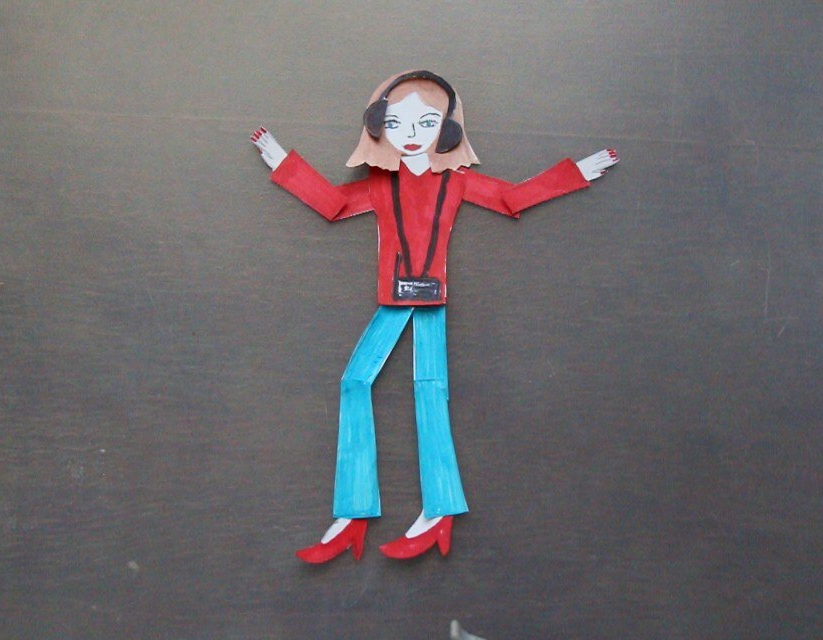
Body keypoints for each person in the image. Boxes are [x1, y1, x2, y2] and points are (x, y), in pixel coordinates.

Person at [251, 70, 618, 563]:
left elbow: (510, 198)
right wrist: (283, 162)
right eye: (396, 123)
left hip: (430, 294)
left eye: (426, 122)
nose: (411, 134)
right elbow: (334, 204)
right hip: (394, 294)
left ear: (448, 128)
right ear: (377, 125)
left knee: (428, 390)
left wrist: (576, 173)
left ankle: (438, 511)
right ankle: (356, 514)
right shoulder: (381, 184)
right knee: (358, 382)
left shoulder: (456, 182)